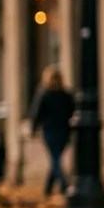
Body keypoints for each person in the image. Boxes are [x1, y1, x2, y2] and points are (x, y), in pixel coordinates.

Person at [30, 66, 75, 197]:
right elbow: (72, 112)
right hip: (64, 131)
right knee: (56, 158)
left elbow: (36, 113)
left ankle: (64, 185)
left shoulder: (44, 95)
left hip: (50, 131)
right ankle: (48, 188)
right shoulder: (66, 95)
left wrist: (33, 129)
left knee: (55, 159)